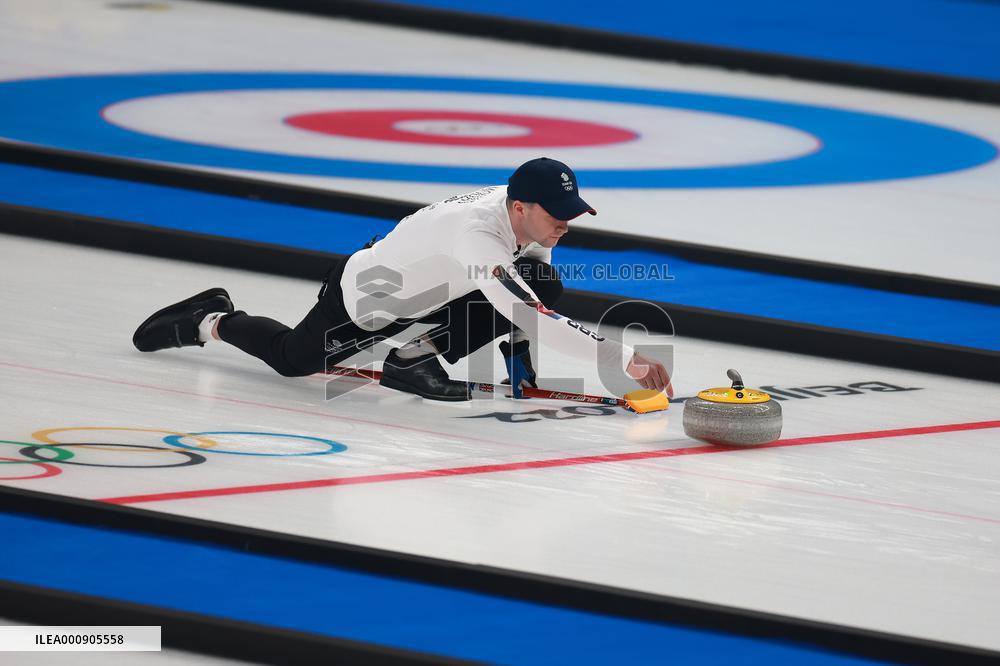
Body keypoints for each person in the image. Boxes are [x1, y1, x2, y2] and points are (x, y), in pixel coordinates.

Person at [132, 157, 671, 401]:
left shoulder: (519, 215)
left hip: (432, 291)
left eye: (569, 211)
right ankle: (212, 320)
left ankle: (411, 358)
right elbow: (525, 310)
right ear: (522, 205)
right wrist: (624, 358)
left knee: (542, 283)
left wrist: (520, 358)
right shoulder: (477, 237)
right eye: (557, 213)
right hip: (369, 298)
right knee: (294, 361)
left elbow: (531, 295)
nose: (566, 222)